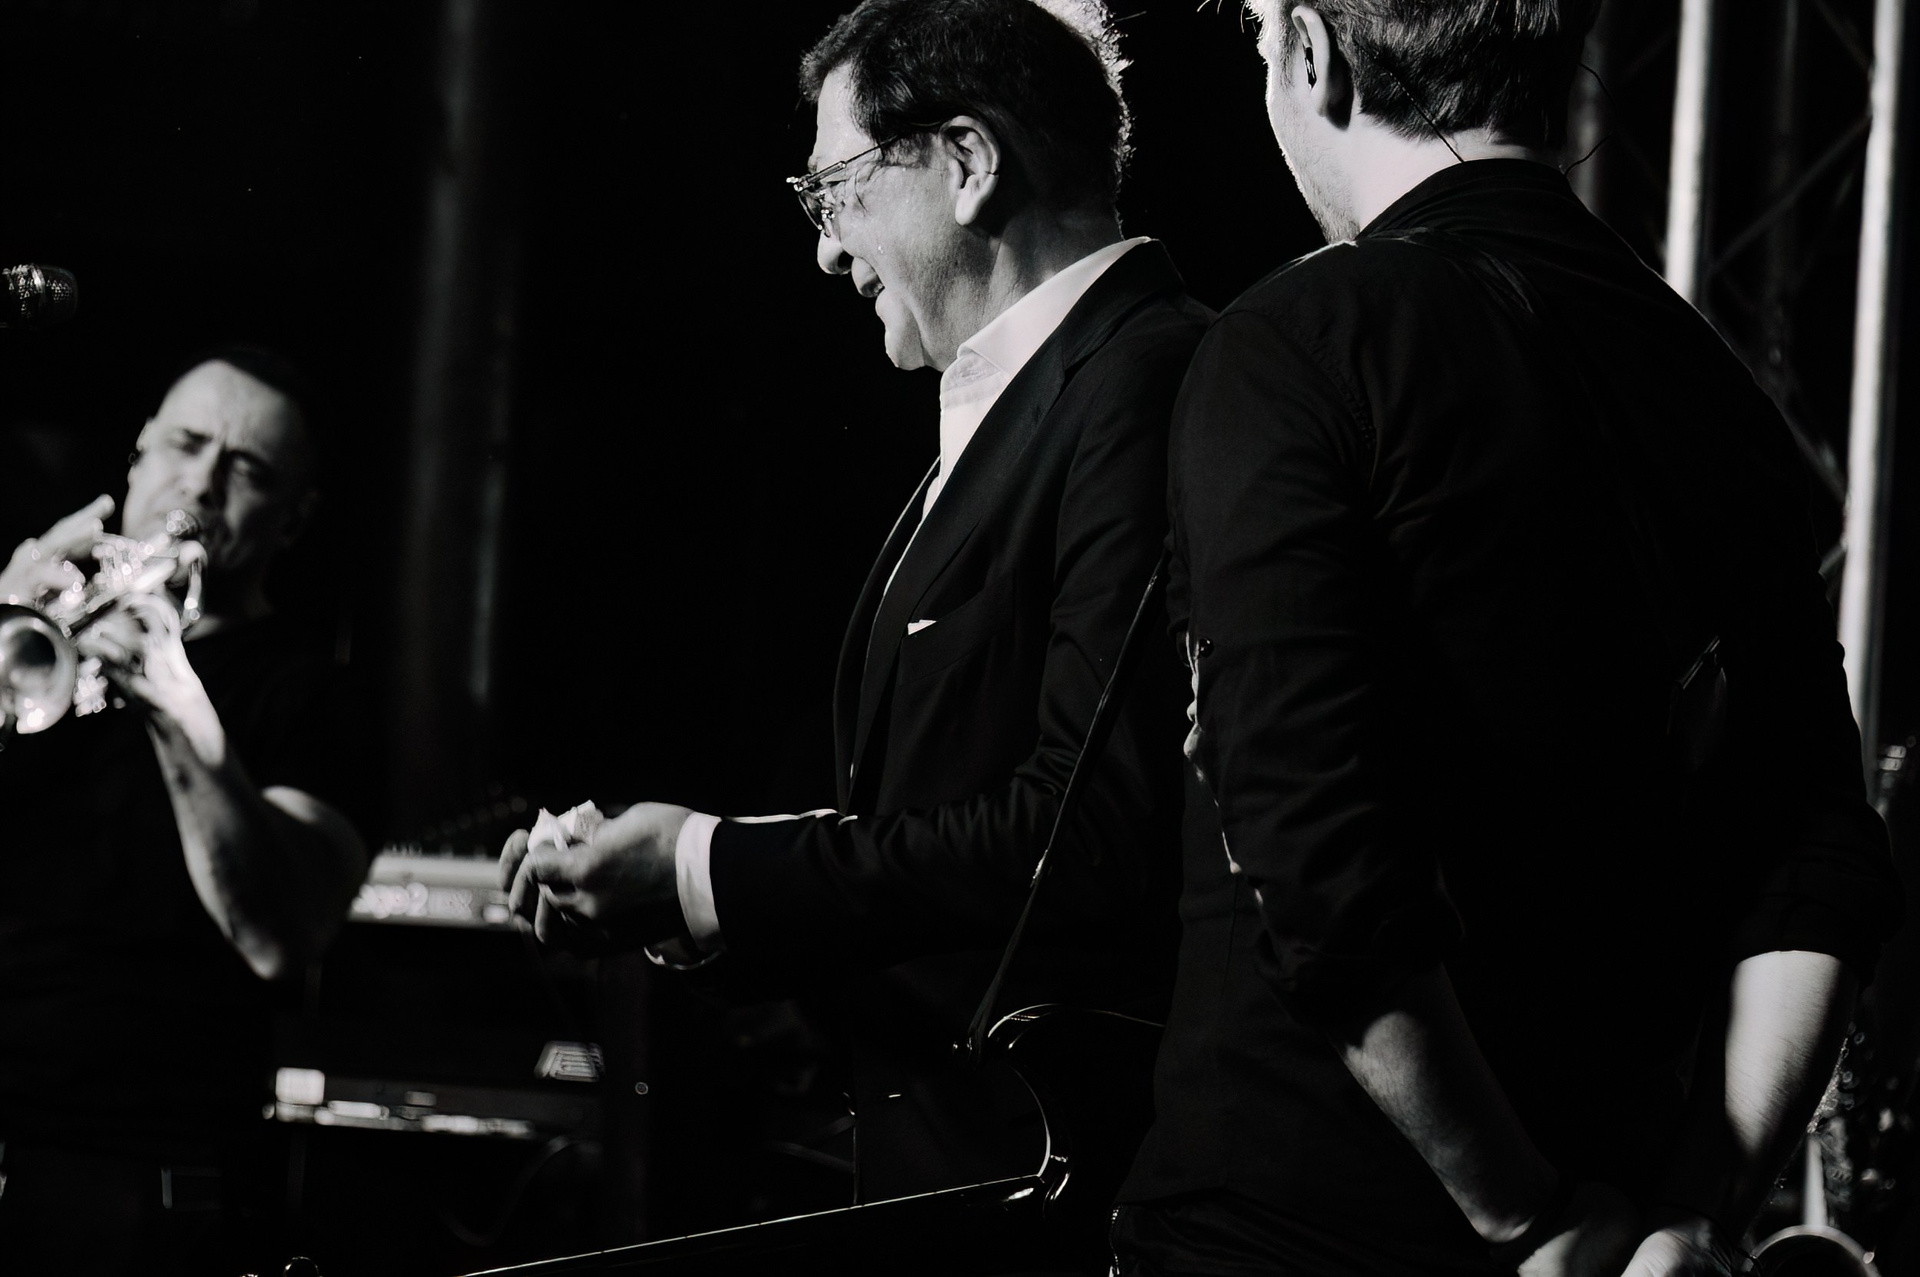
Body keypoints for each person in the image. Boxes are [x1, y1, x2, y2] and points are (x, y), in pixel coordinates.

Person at [1114, 3, 1902, 1275]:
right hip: (1627, 1232)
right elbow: (1817, 850)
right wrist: (1700, 1204)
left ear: (1314, 53)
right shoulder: (1718, 388)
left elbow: (1316, 855)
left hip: (1290, 1228)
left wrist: (1521, 1210)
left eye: (1261, 38)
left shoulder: (1291, 345)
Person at [502, 0, 1206, 1213]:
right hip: (959, 1163)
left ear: (968, 161)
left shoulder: (1142, 380)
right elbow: (934, 819)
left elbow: (1080, 836)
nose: (828, 251)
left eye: (834, 191)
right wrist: (682, 889)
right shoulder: (1038, 394)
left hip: (1064, 1190)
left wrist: (704, 864)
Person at [0, 350, 370, 1275]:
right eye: (186, 444)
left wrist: (176, 701)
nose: (202, 483)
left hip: (141, 1190)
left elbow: (278, 934)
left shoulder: (315, 697)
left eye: (248, 468)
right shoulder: (37, 635)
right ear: (136, 457)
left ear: (293, 519)